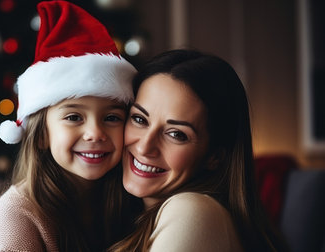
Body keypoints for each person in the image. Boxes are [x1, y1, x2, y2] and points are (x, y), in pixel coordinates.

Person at [0, 1, 138, 251]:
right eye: (74, 117)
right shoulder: (16, 214)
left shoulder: (130, 198)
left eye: (111, 118)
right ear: (42, 135)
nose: (95, 133)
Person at [109, 49, 287, 251]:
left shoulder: (193, 211)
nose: (144, 146)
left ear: (215, 156)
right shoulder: (128, 217)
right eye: (139, 119)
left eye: (176, 134)